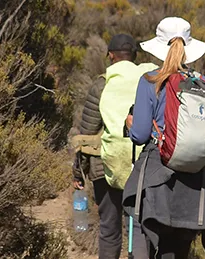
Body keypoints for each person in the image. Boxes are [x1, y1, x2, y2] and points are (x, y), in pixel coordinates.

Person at [123, 17, 205, 259]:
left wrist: (130, 125)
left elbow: (140, 136)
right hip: (195, 185)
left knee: (144, 229)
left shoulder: (150, 81)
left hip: (157, 177)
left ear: (160, 47)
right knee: (177, 250)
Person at [72, 34, 159, 259]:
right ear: (134, 57)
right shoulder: (149, 79)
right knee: (140, 228)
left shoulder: (103, 82)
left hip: (106, 167)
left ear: (111, 55)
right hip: (143, 167)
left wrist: (78, 172)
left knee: (109, 229)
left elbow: (87, 135)